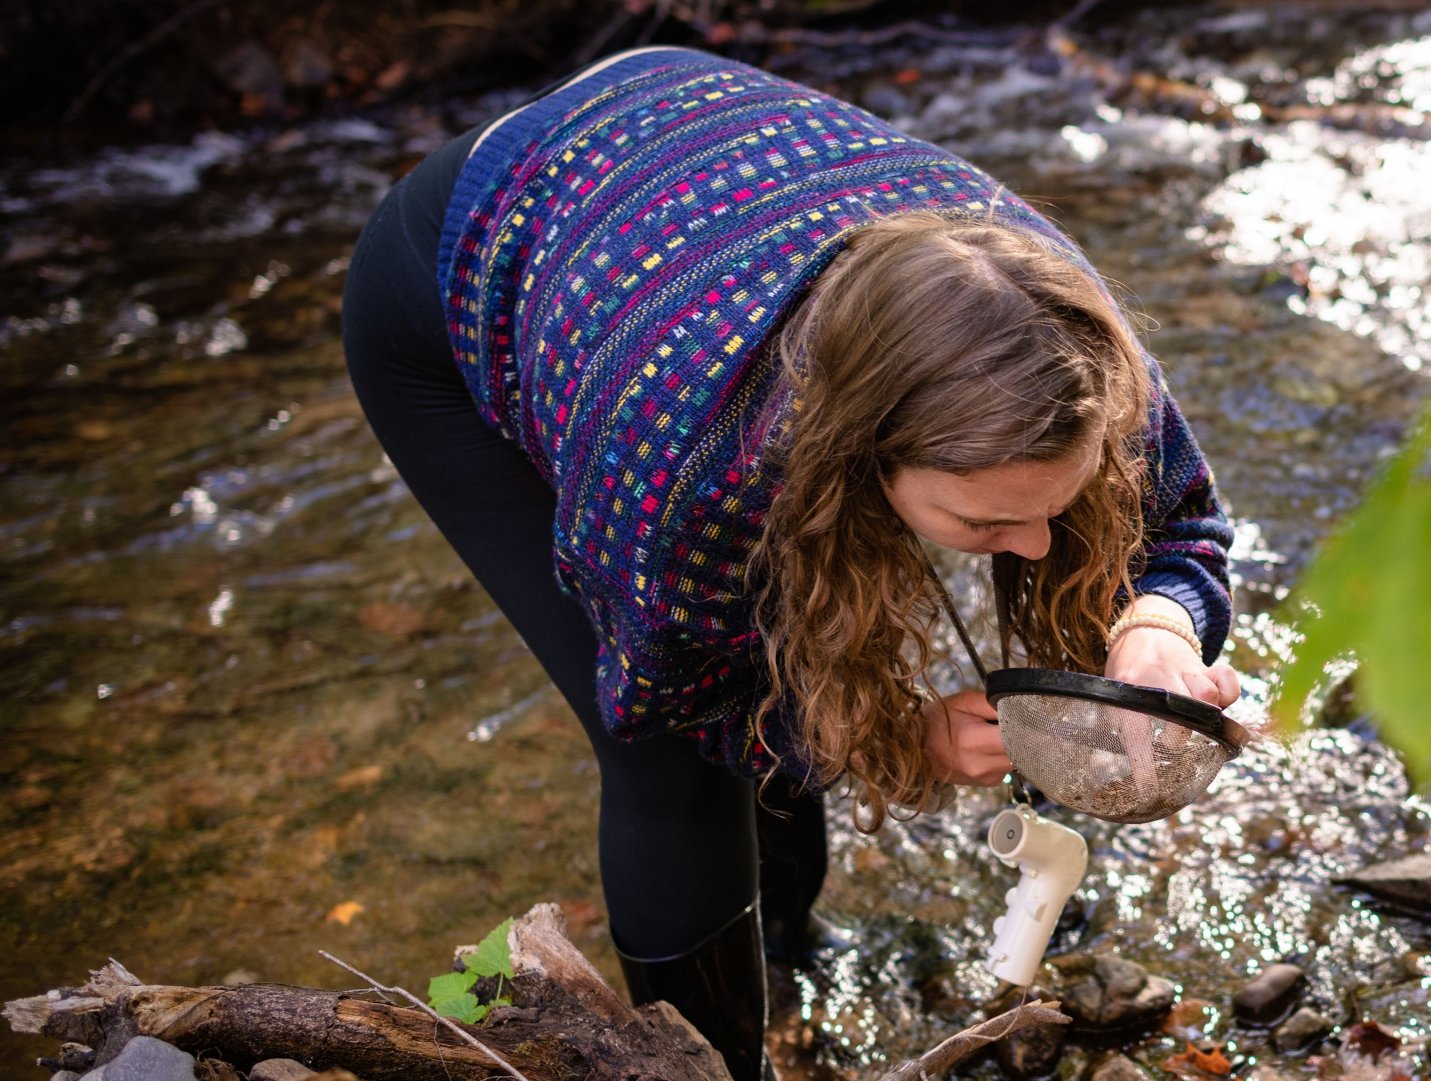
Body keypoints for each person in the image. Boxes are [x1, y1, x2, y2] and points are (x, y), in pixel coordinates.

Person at [341, 46, 1236, 1081]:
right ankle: (716, 1066)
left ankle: (787, 952)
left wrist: (1157, 629)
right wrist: (897, 736)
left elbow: (1181, 524)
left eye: (1059, 505)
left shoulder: (1064, 345)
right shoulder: (690, 461)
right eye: (988, 521)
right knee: (667, 760)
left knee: (779, 680)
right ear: (860, 461)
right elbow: (682, 695)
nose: (1037, 546)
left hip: (690, 146)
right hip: (459, 272)